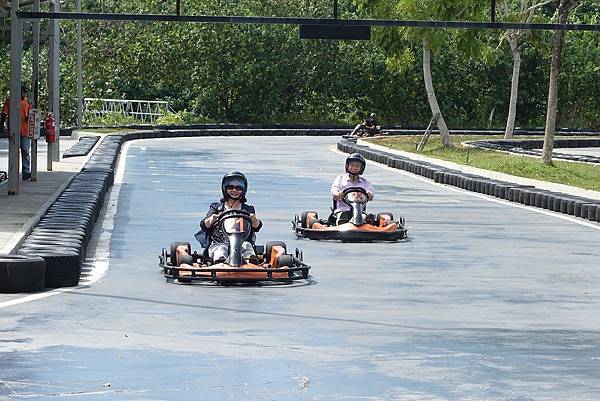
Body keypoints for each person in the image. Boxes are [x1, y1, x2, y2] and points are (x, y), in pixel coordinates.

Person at [196, 171, 262, 263]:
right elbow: (204, 225)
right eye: (231, 187)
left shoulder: (248, 209)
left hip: (241, 243)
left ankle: (250, 263)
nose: (234, 190)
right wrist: (211, 219)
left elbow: (257, 227)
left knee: (247, 247)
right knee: (221, 249)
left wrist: (254, 220)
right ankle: (220, 264)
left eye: (238, 188)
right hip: (218, 243)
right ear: (225, 188)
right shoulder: (216, 208)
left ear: (243, 190)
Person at [330, 153, 375, 225]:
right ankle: (342, 230)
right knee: (342, 217)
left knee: (367, 218)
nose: (354, 168)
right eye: (352, 165)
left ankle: (365, 228)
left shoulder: (365, 182)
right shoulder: (340, 179)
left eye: (357, 166)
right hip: (342, 210)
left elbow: (370, 192)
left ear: (361, 168)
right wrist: (338, 194)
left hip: (359, 212)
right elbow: (335, 189)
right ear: (347, 166)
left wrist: (369, 194)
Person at [1, 84, 32, 180]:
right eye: (23, 92)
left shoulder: (27, 102)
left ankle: (26, 171)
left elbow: (30, 113)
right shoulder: (10, 101)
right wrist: (2, 126)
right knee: (14, 152)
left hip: (25, 130)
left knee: (25, 151)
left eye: (25, 92)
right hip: (14, 130)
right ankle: (13, 171)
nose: (24, 94)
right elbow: (4, 114)